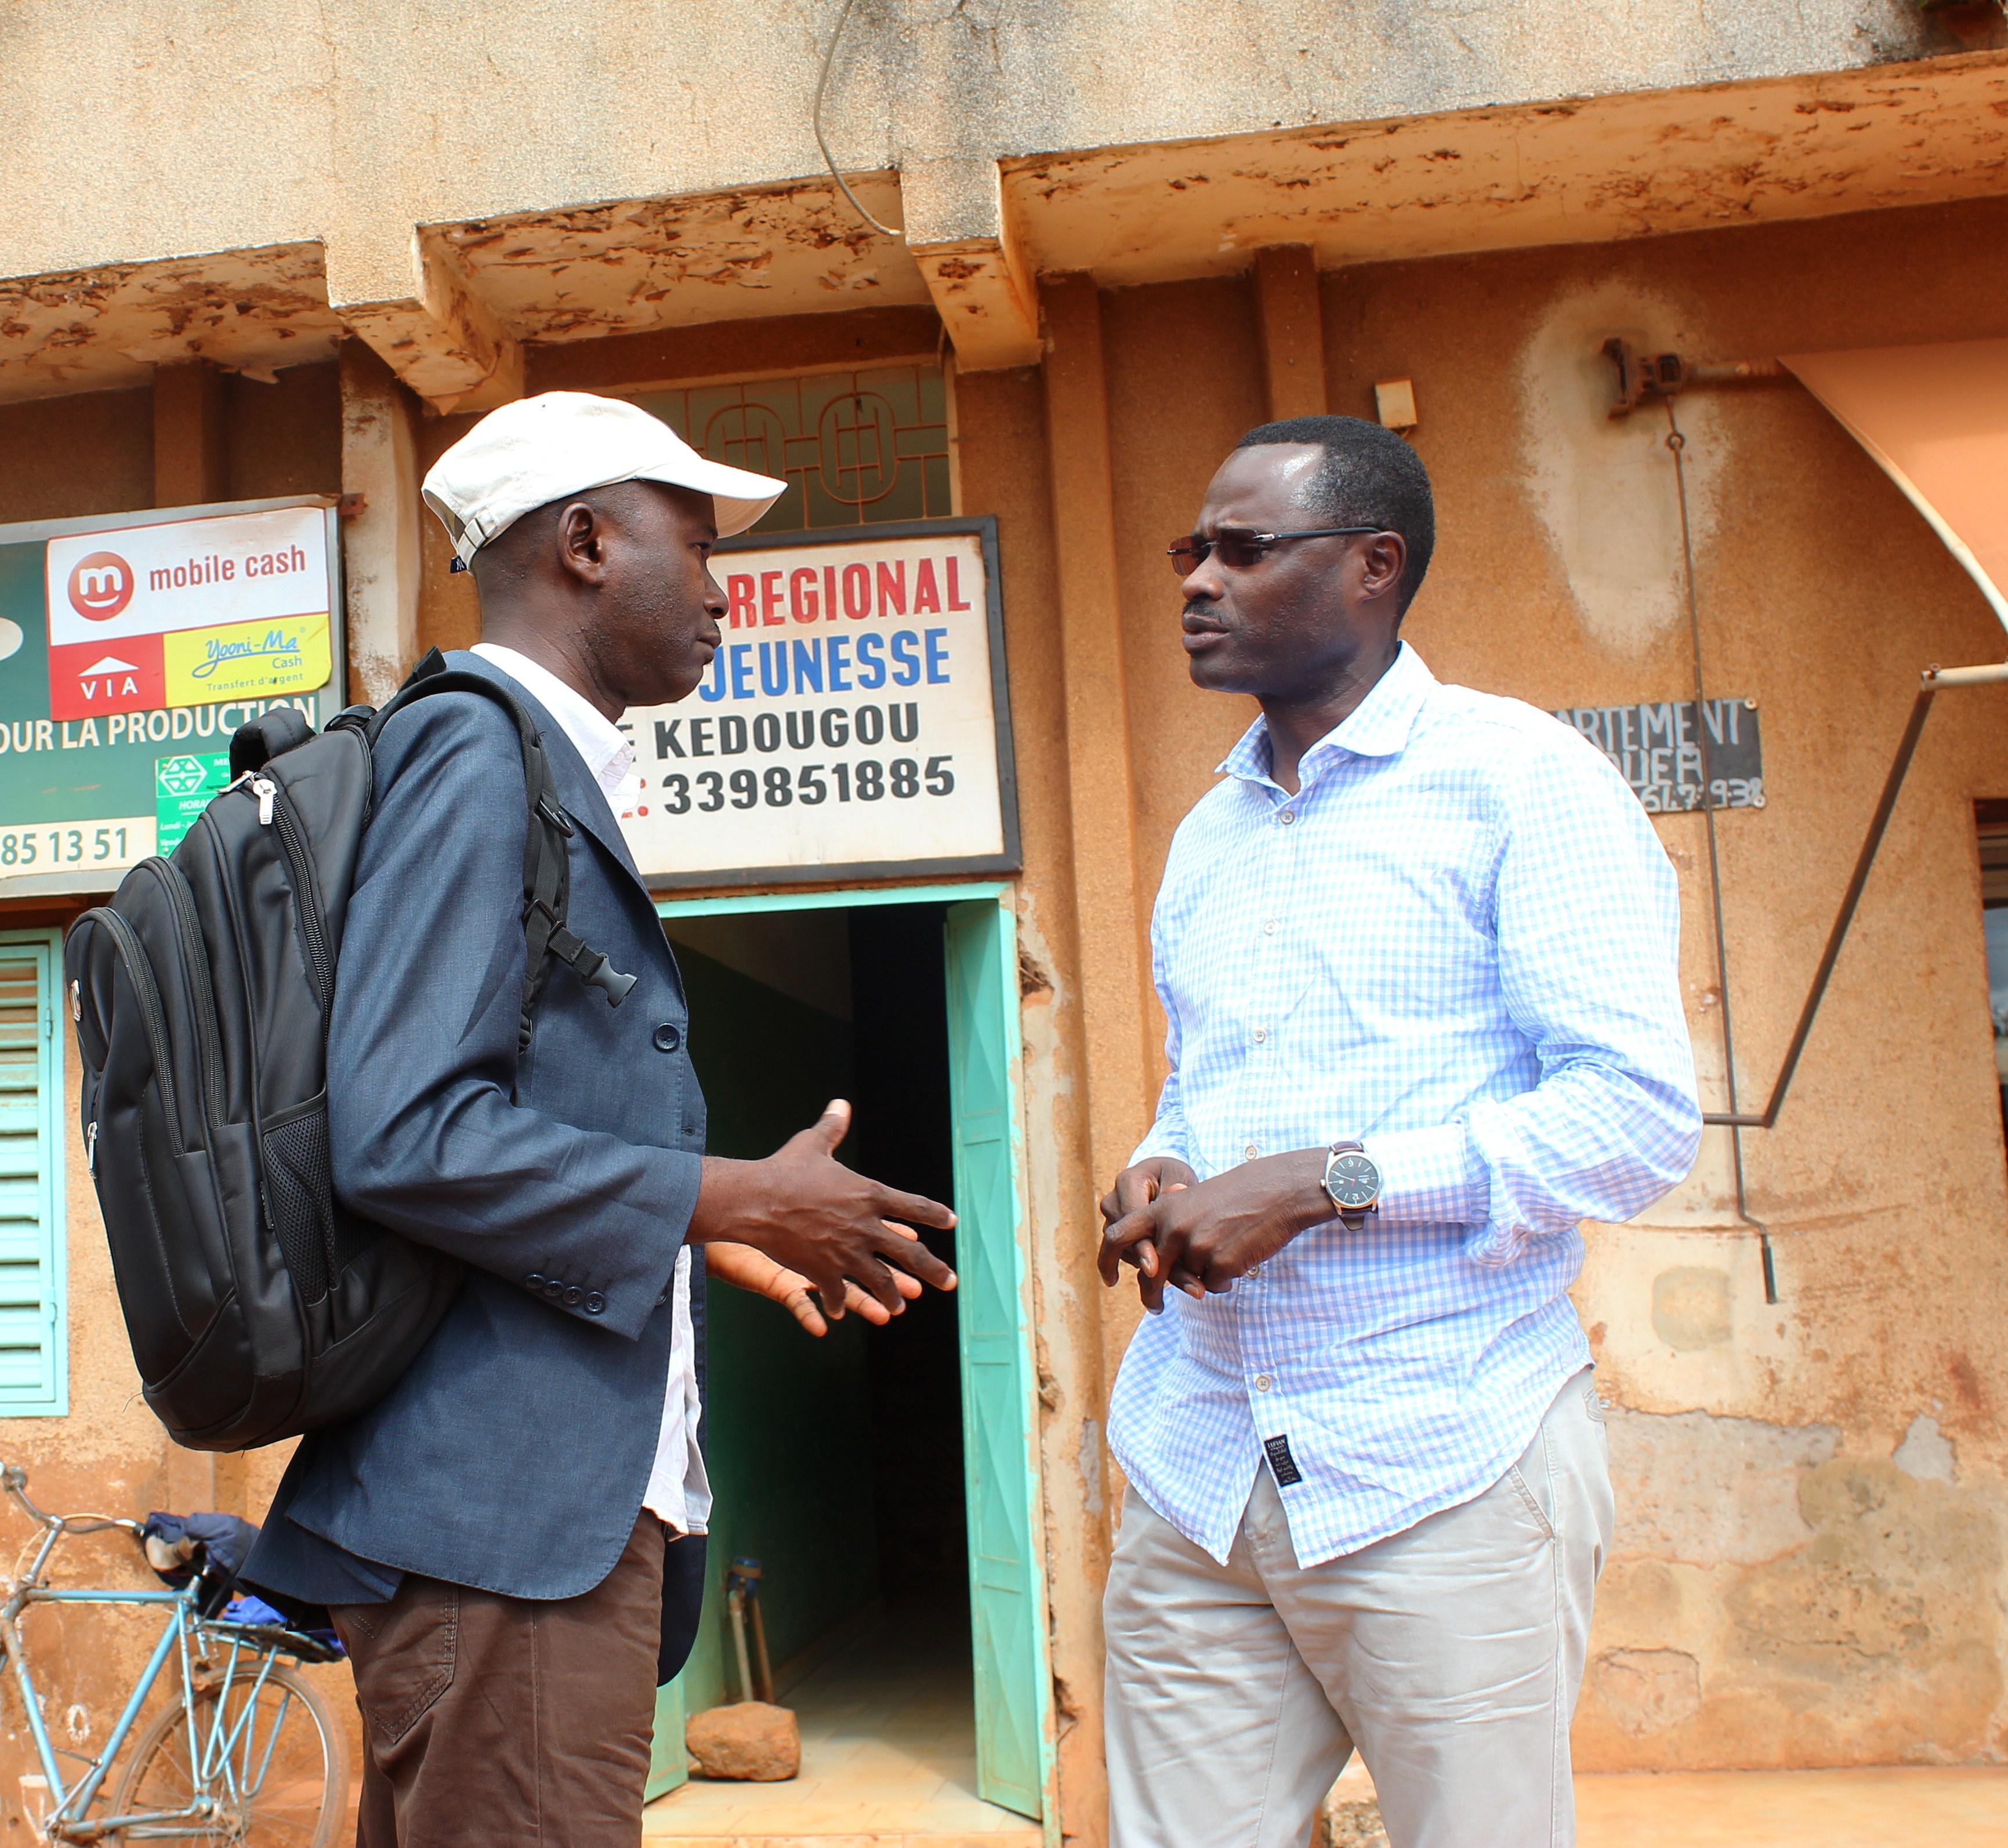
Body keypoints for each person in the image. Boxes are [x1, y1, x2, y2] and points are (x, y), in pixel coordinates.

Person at [242, 391, 958, 1847]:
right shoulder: (481, 758)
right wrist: (721, 1195)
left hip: (519, 1537)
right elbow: (407, 1128)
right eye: (691, 545)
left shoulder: (543, 775)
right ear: (582, 542)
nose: (718, 592)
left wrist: (702, 1243)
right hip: (505, 1537)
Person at [1095, 416, 1701, 1848]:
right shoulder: (1209, 836)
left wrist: (1327, 1185)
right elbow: (1206, 1084)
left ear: (1376, 565)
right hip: (1199, 1465)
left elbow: (1632, 1119)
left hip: (1442, 1456)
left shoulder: (1522, 780)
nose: (1197, 580)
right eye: (1193, 551)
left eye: (1244, 551)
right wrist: (1163, 1160)